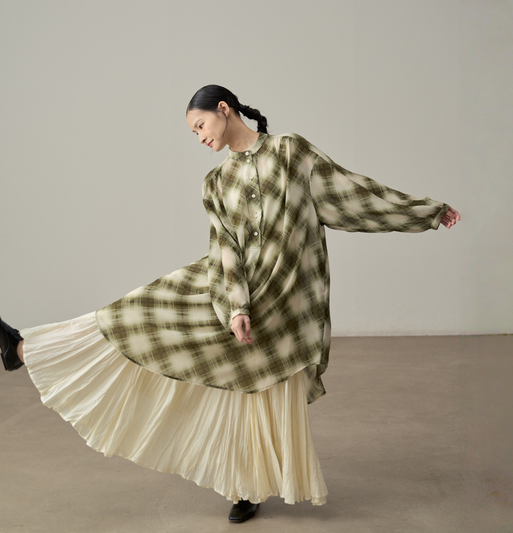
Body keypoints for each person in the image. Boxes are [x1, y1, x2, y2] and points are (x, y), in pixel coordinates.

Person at [0, 84, 461, 524]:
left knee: (261, 392)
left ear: (224, 109)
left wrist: (427, 212)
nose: (200, 138)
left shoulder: (290, 152)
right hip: (232, 294)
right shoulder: (217, 182)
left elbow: (351, 193)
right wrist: (237, 307)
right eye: (194, 133)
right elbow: (226, 250)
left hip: (286, 302)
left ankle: (247, 485)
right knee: (136, 314)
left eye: (200, 126)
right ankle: (24, 347)